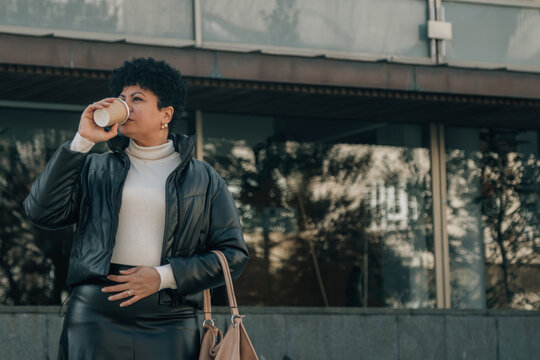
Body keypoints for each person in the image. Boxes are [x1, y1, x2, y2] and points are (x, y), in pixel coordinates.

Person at [24, 57, 249, 360]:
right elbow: (41, 212)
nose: (126, 106)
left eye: (137, 99)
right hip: (95, 314)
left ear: (165, 114)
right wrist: (82, 141)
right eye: (122, 99)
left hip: (169, 317)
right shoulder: (94, 166)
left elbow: (234, 256)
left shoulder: (203, 178)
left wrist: (164, 276)